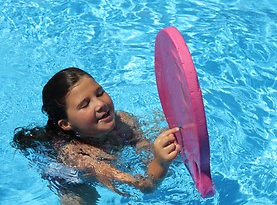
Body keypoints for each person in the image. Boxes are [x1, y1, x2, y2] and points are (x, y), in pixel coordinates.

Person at [12, 67, 181, 202]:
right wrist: (160, 162)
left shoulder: (124, 121)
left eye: (99, 93)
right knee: (79, 199)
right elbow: (144, 186)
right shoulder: (79, 156)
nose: (100, 104)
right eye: (85, 105)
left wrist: (156, 153)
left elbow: (143, 149)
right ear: (66, 124)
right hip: (71, 178)